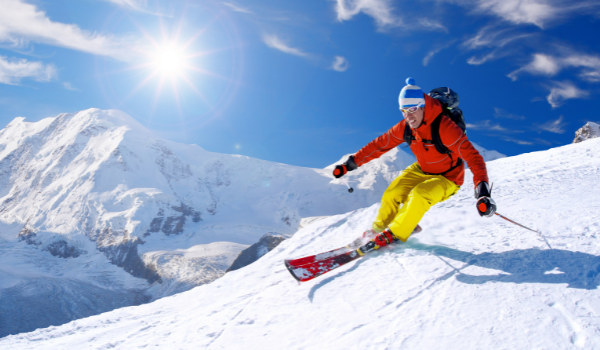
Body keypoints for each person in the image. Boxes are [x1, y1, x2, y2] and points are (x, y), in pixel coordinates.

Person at [333, 78, 496, 251]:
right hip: (422, 169)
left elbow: (473, 157)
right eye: (404, 110)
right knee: (392, 193)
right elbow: (379, 145)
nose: (408, 116)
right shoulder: (405, 127)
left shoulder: (445, 127)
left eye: (412, 109)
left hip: (448, 177)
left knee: (420, 194)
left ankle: (395, 233)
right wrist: (349, 165)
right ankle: (378, 230)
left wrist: (483, 192)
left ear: (424, 106)